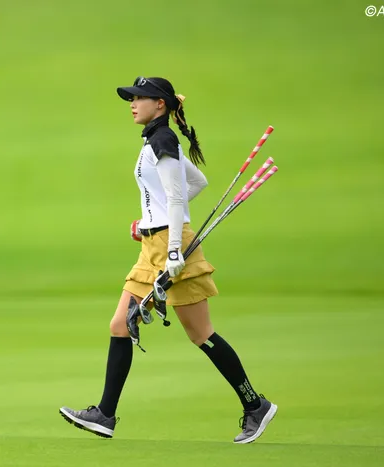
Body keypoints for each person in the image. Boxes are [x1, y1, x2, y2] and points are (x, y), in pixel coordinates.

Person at [58, 77, 277, 444]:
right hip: (153, 245)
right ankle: (105, 415)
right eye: (131, 98)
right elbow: (196, 183)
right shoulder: (154, 140)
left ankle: (255, 405)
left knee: (201, 335)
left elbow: (177, 197)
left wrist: (174, 248)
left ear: (159, 104)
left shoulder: (163, 140)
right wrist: (148, 222)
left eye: (139, 98)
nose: (132, 104)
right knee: (120, 324)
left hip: (171, 248)